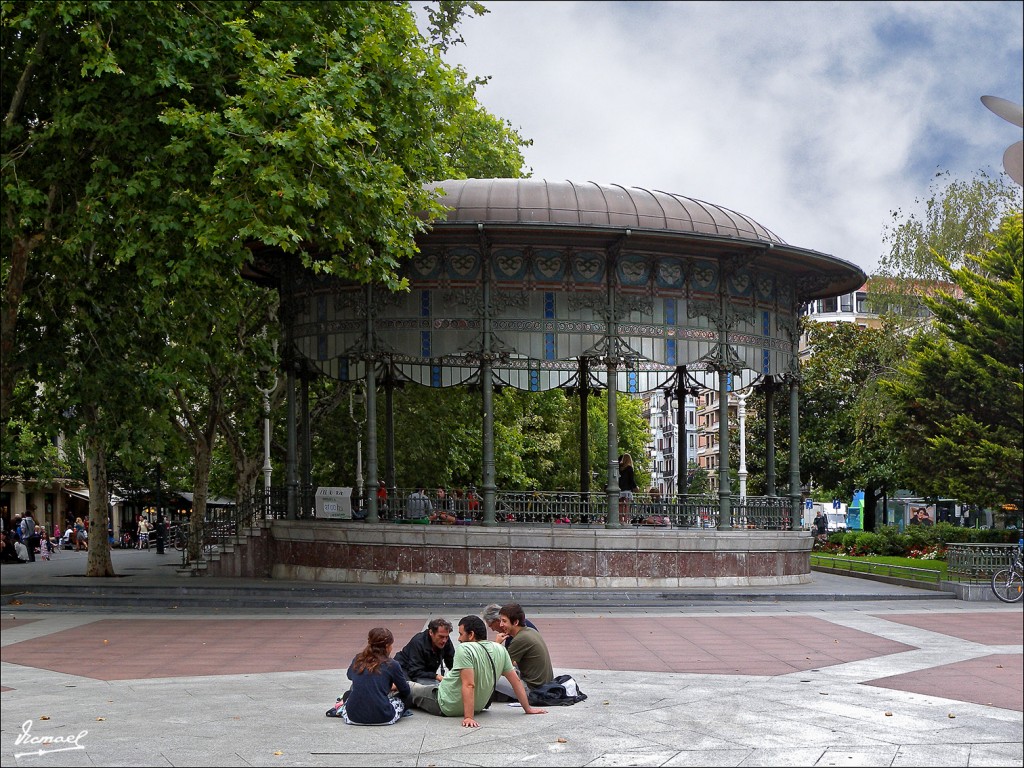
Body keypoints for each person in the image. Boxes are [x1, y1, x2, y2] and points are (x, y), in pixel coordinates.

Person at [408, 615, 547, 727]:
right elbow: (516, 681)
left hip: (447, 704)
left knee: (410, 687)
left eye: (461, 634)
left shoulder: (465, 649)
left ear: (471, 634)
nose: (458, 638)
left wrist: (468, 717)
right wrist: (528, 708)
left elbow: (469, 685)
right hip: (479, 706)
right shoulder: (500, 649)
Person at [339, 627, 412, 726]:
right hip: (383, 717)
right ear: (387, 646)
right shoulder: (392, 664)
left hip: (353, 717)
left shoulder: (358, 659)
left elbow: (350, 675)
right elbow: (405, 691)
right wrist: (392, 686)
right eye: (391, 645)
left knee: (348, 694)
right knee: (407, 699)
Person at [492, 602, 554, 701]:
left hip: (532, 689)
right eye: (500, 621)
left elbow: (497, 667)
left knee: (486, 678)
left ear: (515, 622)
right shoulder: (529, 631)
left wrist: (496, 645)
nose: (501, 625)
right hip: (545, 684)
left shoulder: (519, 639)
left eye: (504, 621)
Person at [394, 618, 455, 684]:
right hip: (404, 670)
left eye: (446, 637)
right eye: (441, 637)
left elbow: (452, 662)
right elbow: (415, 671)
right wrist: (436, 676)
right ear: (431, 632)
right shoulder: (418, 642)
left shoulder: (445, 641)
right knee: (430, 688)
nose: (444, 640)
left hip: (422, 672)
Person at [618, 453, 637, 524]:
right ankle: (626, 520)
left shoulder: (620, 468)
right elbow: (631, 480)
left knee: (620, 505)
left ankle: (620, 519)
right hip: (627, 489)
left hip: (620, 488)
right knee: (627, 506)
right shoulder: (629, 468)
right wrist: (635, 487)